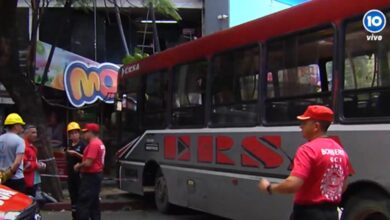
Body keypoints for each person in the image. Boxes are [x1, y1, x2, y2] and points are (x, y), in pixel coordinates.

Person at [258, 105, 353, 220]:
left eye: (304, 123)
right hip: (332, 214)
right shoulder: (340, 150)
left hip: (308, 213)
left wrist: (269, 188)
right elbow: (343, 186)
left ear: (316, 126)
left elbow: (293, 184)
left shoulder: (307, 150)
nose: (300, 127)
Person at [74, 123, 105, 220]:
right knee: (94, 205)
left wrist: (79, 166)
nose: (83, 135)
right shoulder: (99, 143)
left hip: (90, 178)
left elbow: (88, 163)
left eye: (85, 132)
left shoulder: (94, 144)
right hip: (96, 176)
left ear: (91, 132)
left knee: (83, 204)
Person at [0, 113, 26, 192]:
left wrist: (3, 176)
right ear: (15, 126)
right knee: (19, 203)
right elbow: (17, 162)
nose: (21, 127)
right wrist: (9, 173)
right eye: (20, 125)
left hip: (1, 178)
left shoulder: (0, 138)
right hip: (16, 179)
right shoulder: (19, 141)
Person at [65, 121, 86, 220]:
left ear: (79, 134)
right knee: (73, 197)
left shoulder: (82, 145)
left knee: (80, 197)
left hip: (80, 176)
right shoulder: (69, 145)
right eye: (72, 133)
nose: (74, 135)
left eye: (76, 133)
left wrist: (76, 154)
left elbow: (87, 159)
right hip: (71, 176)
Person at [23, 125, 46, 197]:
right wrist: (37, 165)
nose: (35, 135)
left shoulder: (32, 147)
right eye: (33, 133)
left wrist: (39, 165)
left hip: (34, 180)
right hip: (28, 181)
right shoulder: (23, 146)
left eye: (36, 133)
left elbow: (32, 162)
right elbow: (25, 165)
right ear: (26, 133)